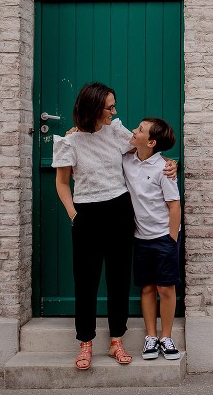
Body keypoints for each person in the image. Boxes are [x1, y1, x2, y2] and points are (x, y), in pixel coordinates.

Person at [52, 82, 176, 370]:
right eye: (110, 107)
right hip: (86, 215)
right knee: (86, 281)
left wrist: (171, 164)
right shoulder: (69, 142)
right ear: (94, 108)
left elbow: (147, 152)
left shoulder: (117, 132)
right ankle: (85, 342)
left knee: (118, 280)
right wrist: (74, 215)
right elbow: (61, 183)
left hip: (120, 211)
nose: (115, 111)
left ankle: (116, 340)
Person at [122, 117, 182, 361]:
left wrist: (172, 239)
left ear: (152, 141)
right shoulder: (127, 160)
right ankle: (150, 337)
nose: (134, 131)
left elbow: (174, 205)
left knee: (166, 288)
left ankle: (166, 337)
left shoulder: (163, 169)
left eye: (140, 130)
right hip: (140, 238)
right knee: (146, 287)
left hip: (163, 238)